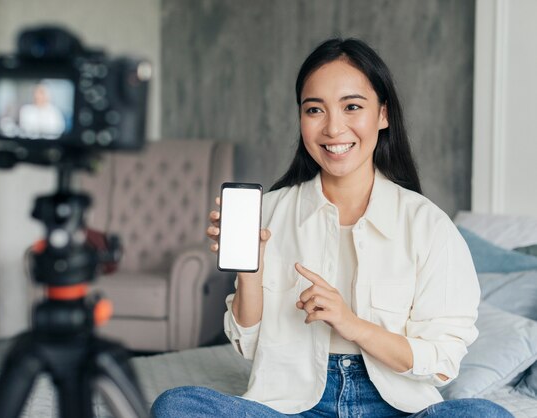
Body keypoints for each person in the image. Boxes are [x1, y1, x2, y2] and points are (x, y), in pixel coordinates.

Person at [151, 38, 512, 417]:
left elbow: (441, 361)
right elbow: (249, 347)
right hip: (292, 406)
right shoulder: (270, 213)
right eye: (314, 110)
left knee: (485, 414)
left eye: (352, 106)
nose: (333, 128)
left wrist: (350, 323)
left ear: (383, 115)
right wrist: (250, 274)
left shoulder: (427, 225)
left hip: (395, 407)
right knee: (176, 406)